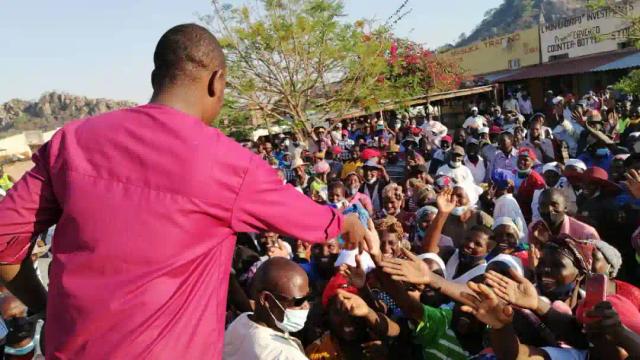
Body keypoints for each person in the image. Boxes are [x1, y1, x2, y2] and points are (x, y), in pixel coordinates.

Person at [0, 24, 370, 359]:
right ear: (216, 82)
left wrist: (45, 306)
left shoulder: (72, 141)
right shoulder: (229, 164)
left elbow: (4, 240)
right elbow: (321, 223)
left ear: (155, 78)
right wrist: (349, 222)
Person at [224, 257, 311, 360]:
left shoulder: (241, 322)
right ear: (266, 299)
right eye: (298, 301)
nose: (306, 305)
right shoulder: (285, 355)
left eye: (308, 297)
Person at [490, 169, 527, 243]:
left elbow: (507, 231)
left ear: (495, 186)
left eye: (490, 184)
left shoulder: (505, 203)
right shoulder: (503, 200)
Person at [513, 148, 545, 223]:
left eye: (525, 160)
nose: (521, 162)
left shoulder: (536, 179)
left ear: (532, 162)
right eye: (520, 159)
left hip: (528, 217)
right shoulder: (513, 173)